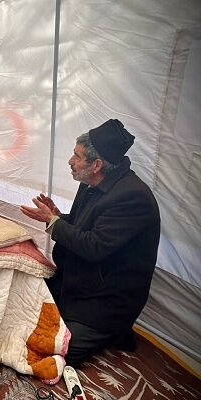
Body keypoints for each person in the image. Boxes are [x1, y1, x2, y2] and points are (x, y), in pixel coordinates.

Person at [20, 119, 160, 367]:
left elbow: (94, 246)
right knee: (26, 298)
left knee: (61, 350)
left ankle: (112, 331)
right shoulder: (91, 183)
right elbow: (83, 225)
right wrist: (58, 216)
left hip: (106, 298)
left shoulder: (133, 197)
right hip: (79, 280)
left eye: (77, 156)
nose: (70, 161)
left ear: (96, 165)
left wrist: (53, 222)